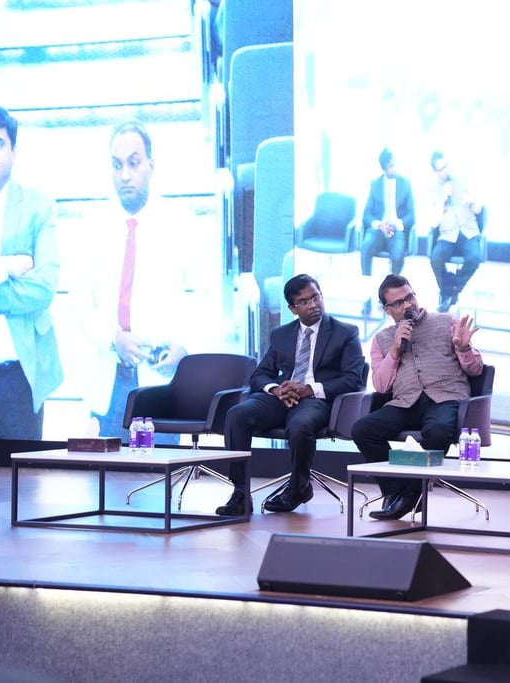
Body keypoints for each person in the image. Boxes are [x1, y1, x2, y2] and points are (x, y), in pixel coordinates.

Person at [216, 274, 366, 515]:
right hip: (282, 397)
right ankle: (241, 493)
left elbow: (353, 379)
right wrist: (277, 389)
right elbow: (260, 375)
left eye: (315, 297)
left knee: (300, 425)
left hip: (316, 399)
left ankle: (299, 487)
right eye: (304, 301)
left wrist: (308, 389)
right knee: (237, 414)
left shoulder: (345, 332)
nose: (313, 305)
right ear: (293, 308)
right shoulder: (281, 334)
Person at [82, 121, 195, 439]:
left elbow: (202, 296)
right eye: (117, 165)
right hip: (111, 379)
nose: (125, 175)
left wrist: (184, 347)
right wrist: (113, 337)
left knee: (160, 468)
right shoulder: (93, 224)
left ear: (151, 165)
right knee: (106, 469)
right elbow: (79, 301)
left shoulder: (180, 221)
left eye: (134, 163)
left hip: (160, 379)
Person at [351, 274, 483, 520]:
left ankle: (409, 496)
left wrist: (464, 348)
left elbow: (476, 370)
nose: (407, 305)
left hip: (445, 397)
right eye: (398, 303)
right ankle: (397, 492)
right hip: (405, 402)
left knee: (438, 431)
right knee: (362, 429)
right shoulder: (382, 339)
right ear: (387, 309)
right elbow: (381, 386)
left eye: (409, 297)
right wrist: (394, 350)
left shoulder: (447, 322)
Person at [0, 105, 63, 439]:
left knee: (20, 469)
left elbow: (44, 288)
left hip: (20, 374)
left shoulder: (38, 206)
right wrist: (6, 267)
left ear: (13, 150)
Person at [428, 151, 483, 312]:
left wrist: (472, 202)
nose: (445, 171)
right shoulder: (433, 189)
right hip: (448, 234)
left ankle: (453, 289)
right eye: (440, 169)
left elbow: (479, 209)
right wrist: (443, 200)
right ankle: (447, 291)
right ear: (435, 172)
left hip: (468, 231)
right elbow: (433, 223)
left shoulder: (463, 181)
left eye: (446, 166)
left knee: (474, 258)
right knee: (435, 258)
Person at [360, 147, 415, 278]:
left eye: (394, 165)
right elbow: (366, 215)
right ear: (383, 168)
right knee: (365, 248)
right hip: (378, 229)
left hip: (397, 229)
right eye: (390, 167)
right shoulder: (375, 184)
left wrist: (396, 224)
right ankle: (366, 282)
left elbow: (411, 216)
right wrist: (379, 225)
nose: (393, 169)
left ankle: (392, 284)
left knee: (398, 256)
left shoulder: (405, 184)